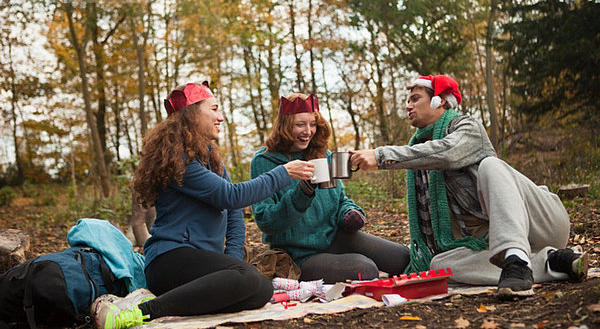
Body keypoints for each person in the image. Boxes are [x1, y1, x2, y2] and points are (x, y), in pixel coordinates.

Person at [90, 82, 314, 328]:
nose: (220, 117)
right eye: (214, 109)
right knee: (248, 279)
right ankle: (144, 310)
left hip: (201, 261)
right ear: (192, 114)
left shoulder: (210, 156)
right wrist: (282, 173)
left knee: (259, 289)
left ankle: (178, 304)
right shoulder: (179, 160)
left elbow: (234, 214)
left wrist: (232, 261)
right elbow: (231, 196)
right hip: (170, 259)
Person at [350, 75, 588, 299]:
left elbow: (447, 153)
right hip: (493, 241)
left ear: (439, 100)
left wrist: (381, 156)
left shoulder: (467, 127)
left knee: (491, 166)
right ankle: (550, 262)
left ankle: (517, 258)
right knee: (440, 265)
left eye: (415, 99)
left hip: (542, 222)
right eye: (407, 101)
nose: (408, 106)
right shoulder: (420, 152)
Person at [250, 93, 410, 284]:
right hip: (299, 253)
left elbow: (340, 199)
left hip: (335, 237)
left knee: (401, 258)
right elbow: (266, 220)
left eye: (312, 124)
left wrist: (350, 212)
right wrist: (302, 194)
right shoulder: (264, 162)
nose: (308, 131)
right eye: (300, 124)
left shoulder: (321, 154)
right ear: (284, 125)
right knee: (365, 269)